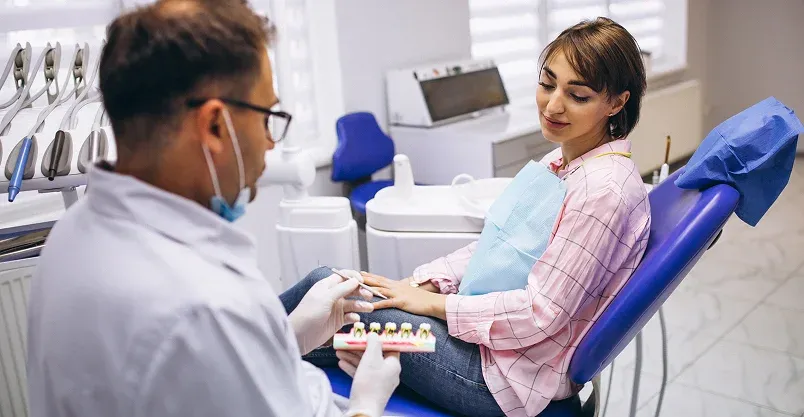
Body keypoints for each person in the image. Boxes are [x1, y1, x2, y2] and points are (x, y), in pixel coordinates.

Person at [26, 1, 401, 416]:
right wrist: (367, 404)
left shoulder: (72, 233)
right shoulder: (206, 308)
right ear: (216, 126)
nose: (270, 142)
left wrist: (289, 336)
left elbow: (193, 384)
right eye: (267, 117)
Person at [285, 17, 651, 417]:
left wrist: (431, 305)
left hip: (499, 378)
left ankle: (246, 358)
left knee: (329, 294)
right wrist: (421, 284)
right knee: (333, 290)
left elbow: (540, 314)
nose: (552, 105)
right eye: (548, 84)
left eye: (577, 95)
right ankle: (254, 355)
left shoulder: (603, 191)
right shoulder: (563, 162)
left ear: (617, 103)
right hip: (490, 346)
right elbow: (496, 248)